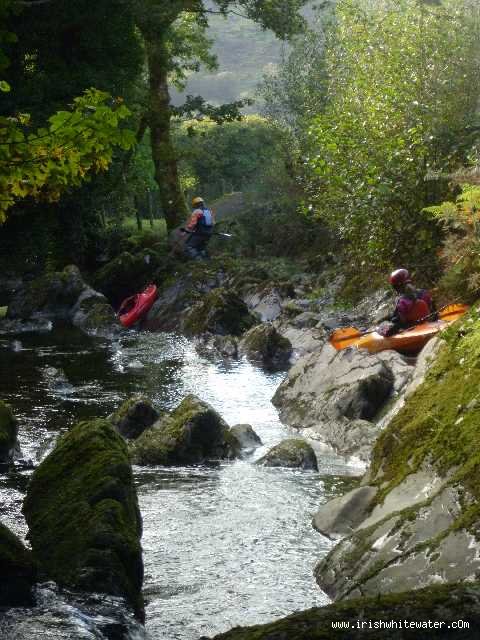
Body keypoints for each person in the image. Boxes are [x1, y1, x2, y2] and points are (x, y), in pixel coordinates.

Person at [379, 268, 436, 336]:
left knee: (383, 324)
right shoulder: (424, 292)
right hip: (429, 322)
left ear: (396, 287)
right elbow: (433, 309)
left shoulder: (402, 302)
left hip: (412, 328)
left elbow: (399, 321)